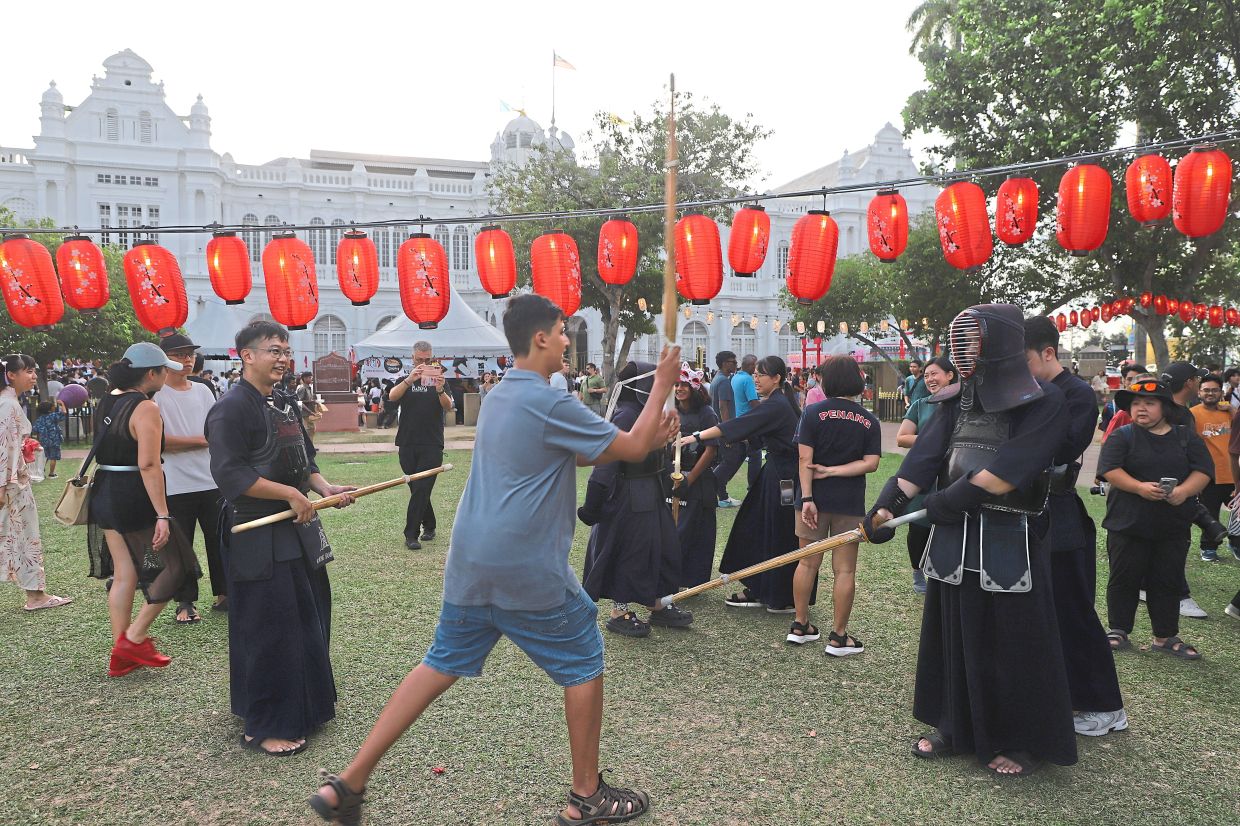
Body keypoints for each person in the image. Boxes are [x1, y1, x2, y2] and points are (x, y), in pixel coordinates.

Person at [309, 294, 677, 826]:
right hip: (524, 565)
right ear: (541, 338)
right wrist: (661, 382)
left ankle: (348, 783)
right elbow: (636, 445)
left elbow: (580, 448)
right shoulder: (550, 400)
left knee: (439, 663)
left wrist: (634, 441)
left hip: (472, 561)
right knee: (585, 663)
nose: (569, 339)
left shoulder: (506, 393)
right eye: (561, 329)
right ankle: (586, 797)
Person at [865, 304, 1076, 777]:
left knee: (1013, 638)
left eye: (973, 340)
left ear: (998, 343)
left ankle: (1019, 740)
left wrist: (948, 501)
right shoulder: (957, 399)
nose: (964, 351)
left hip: (1012, 536)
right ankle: (954, 726)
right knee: (954, 629)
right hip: (956, 538)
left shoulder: (1045, 401)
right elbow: (923, 458)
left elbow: (1008, 472)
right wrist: (885, 508)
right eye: (961, 340)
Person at [206, 320, 358, 756]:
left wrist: (323, 488)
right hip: (256, 533)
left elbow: (301, 458)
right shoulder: (231, 409)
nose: (282, 358)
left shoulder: (284, 402)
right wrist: (289, 494)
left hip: (296, 530)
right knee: (270, 628)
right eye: (273, 350)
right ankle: (265, 725)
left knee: (306, 617)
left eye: (285, 350)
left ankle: (305, 706)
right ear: (246, 355)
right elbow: (231, 474)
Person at [1024, 317, 1127, 737]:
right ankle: (1066, 695)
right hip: (1029, 511)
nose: (1019, 369)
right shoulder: (1027, 390)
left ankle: (1105, 706)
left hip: (1061, 512)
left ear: (1049, 353)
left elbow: (1064, 446)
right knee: (1043, 611)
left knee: (1074, 609)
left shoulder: (1077, 394)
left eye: (1024, 360)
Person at [87, 343, 197, 676]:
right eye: (164, 370)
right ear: (152, 374)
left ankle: (121, 653)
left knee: (125, 574)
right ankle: (132, 640)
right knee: (177, 568)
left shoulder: (108, 400)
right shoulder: (146, 407)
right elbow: (149, 464)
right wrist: (162, 514)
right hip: (132, 495)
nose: (167, 375)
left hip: (104, 489)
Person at [678, 356, 803, 613]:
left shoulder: (777, 404)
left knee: (779, 530)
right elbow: (749, 431)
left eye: (761, 374)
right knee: (758, 526)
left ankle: (781, 596)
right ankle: (760, 588)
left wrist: (697, 435)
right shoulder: (777, 402)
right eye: (755, 373)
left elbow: (737, 425)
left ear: (777, 378)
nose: (755, 379)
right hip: (777, 474)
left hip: (785, 479)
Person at [1097, 378, 1210, 661]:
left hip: (1172, 525)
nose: (1141, 409)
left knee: (1167, 580)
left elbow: (1203, 471)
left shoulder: (1185, 437)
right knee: (1124, 578)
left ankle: (1165, 636)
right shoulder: (1122, 436)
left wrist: (1183, 491)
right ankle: (1119, 630)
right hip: (1128, 523)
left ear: (1165, 408)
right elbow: (1109, 469)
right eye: (1136, 404)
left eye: (1149, 403)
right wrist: (1138, 487)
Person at [578, 361, 691, 637]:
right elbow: (607, 463)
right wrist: (593, 505)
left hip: (649, 489)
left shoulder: (645, 413)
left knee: (663, 546)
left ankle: (657, 602)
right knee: (630, 552)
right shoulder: (627, 415)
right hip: (627, 495)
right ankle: (619, 611)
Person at [791, 356, 881, 655]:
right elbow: (871, 463)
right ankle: (839, 637)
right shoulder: (869, 420)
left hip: (812, 499)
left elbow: (805, 460)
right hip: (849, 500)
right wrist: (837, 471)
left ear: (825, 380)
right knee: (845, 571)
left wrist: (807, 498)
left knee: (806, 562)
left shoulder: (812, 413)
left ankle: (800, 625)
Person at [155, 333, 227, 621]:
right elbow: (158, 442)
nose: (187, 359)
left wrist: (208, 441)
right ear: (164, 359)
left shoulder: (203, 390)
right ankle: (185, 601)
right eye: (180, 354)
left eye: (190, 354)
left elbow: (217, 430)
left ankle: (225, 593)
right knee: (180, 546)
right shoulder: (156, 395)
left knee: (219, 539)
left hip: (211, 480)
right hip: (175, 482)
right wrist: (201, 440)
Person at [1, 354, 72, 613]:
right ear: (11, 374)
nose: (33, 376)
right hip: (11, 485)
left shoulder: (10, 402)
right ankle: (36, 595)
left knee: (16, 537)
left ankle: (36, 593)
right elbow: (4, 447)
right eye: (28, 371)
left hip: (12, 481)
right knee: (25, 536)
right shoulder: (8, 404)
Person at [894, 356, 957, 594]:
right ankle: (918, 572)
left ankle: (942, 571)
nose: (930, 379)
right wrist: (933, 440)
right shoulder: (921, 404)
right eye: (927, 375)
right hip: (925, 474)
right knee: (919, 526)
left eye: (935, 374)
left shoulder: (964, 404)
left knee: (948, 525)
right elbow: (902, 437)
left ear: (950, 375)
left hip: (954, 474)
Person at [1157, 361, 1214, 618]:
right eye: (1197, 379)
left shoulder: (1165, 409)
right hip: (1173, 492)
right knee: (1177, 543)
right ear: (1189, 383)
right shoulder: (1179, 414)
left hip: (1167, 490)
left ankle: (1150, 586)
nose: (1200, 383)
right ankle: (1180, 596)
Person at [388, 341, 453, 551]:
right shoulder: (404, 381)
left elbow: (448, 406)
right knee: (417, 488)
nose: (423, 364)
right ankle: (430, 525)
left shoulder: (439, 381)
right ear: (412, 358)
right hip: (407, 442)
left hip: (432, 443)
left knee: (422, 487)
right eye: (419, 360)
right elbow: (392, 397)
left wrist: (440, 389)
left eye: (427, 360)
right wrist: (409, 379)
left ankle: (411, 534)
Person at [670, 364, 719, 587]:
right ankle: (670, 575)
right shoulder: (672, 412)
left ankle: (694, 580)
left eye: (683, 385)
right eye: (676, 384)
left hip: (699, 480)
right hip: (672, 478)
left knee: (697, 529)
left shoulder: (706, 414)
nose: (679, 388)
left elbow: (711, 449)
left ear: (693, 387)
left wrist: (690, 479)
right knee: (673, 528)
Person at [1191, 374, 1239, 562]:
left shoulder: (1229, 412)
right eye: (1206, 390)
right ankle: (1208, 548)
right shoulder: (1193, 414)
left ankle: (1236, 544)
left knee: (1237, 515)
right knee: (1210, 513)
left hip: (1233, 474)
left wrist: (1233, 410)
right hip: (1209, 476)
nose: (1210, 393)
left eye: (1214, 390)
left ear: (1221, 391)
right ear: (1199, 392)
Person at [709, 351, 743, 508]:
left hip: (719, 428)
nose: (736, 365)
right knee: (730, 461)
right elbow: (723, 407)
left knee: (727, 460)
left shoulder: (717, 379)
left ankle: (722, 496)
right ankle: (715, 490)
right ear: (724, 363)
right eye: (733, 362)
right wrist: (728, 432)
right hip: (723, 429)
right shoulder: (723, 381)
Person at [731, 355, 762, 488]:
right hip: (749, 422)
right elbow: (753, 402)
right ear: (751, 366)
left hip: (739, 420)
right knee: (756, 455)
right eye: (756, 367)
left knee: (741, 455)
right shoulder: (748, 379)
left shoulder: (735, 377)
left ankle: (721, 483)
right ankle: (753, 485)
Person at [30, 398, 66, 479]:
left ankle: (41, 471)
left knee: (45, 456)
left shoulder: (40, 419)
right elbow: (64, 413)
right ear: (50, 409)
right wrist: (62, 404)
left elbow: (35, 429)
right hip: (54, 439)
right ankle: (51, 473)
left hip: (44, 440)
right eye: (52, 406)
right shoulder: (53, 416)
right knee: (53, 457)